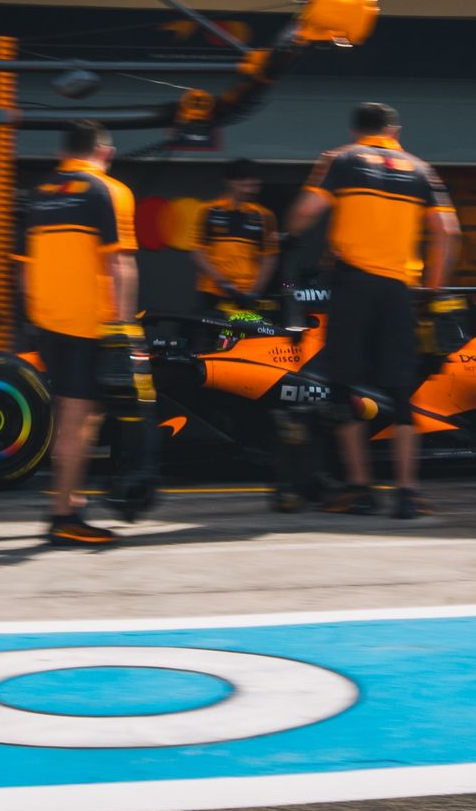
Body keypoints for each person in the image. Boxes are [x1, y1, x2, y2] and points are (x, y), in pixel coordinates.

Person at [286, 101, 460, 520]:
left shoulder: (341, 159)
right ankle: (406, 494)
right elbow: (448, 232)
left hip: (352, 287)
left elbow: (304, 214)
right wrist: (432, 289)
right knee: (401, 393)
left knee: (342, 388)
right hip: (400, 291)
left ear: (356, 131)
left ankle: (360, 490)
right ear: (394, 132)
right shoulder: (421, 169)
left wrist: (289, 235)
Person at [21, 119, 140, 548]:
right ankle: (63, 516)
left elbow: (24, 271)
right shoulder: (108, 190)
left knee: (81, 416)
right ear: (106, 153)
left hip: (49, 323)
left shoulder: (40, 194)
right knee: (77, 419)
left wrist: (40, 318)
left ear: (63, 153)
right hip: (88, 325)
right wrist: (126, 330)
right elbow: (121, 264)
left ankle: (70, 500)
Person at [192, 158, 278, 314]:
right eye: (245, 185)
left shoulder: (266, 216)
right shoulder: (207, 210)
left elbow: (269, 258)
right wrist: (222, 282)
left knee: (248, 330)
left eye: (255, 185)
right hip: (212, 291)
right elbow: (197, 252)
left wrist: (255, 291)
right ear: (230, 183)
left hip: (248, 294)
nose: (250, 190)